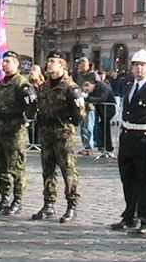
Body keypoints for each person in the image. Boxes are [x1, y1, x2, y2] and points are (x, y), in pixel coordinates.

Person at [111, 49, 146, 236]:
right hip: (128, 136)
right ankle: (130, 215)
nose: (139, 69)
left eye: (143, 65)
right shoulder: (128, 85)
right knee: (128, 177)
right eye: (136, 65)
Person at [32, 51, 85, 223]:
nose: (49, 65)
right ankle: (49, 204)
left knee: (68, 171)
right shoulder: (46, 86)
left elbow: (79, 115)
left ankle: (72, 205)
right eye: (48, 61)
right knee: (48, 171)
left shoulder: (71, 88)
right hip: (47, 134)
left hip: (63, 134)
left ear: (62, 65)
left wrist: (65, 123)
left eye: (53, 62)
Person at [0, 51, 37, 215]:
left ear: (16, 64)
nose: (4, 64)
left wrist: (25, 119)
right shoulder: (2, 83)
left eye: (8, 61)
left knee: (16, 167)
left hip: (14, 131)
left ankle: (18, 200)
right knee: (0, 167)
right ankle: (4, 198)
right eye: (3, 61)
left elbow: (32, 105)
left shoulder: (21, 84)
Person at [82, 77, 116, 158]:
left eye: (87, 90)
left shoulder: (102, 86)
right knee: (100, 128)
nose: (88, 92)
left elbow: (102, 98)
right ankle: (102, 147)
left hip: (108, 109)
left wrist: (88, 97)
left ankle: (108, 148)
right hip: (100, 109)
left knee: (105, 129)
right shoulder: (95, 89)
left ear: (90, 85)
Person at [73, 56, 99, 154]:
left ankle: (89, 147)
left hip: (89, 103)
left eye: (80, 64)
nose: (78, 66)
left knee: (88, 126)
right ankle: (85, 146)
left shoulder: (93, 75)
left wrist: (88, 94)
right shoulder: (79, 75)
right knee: (83, 126)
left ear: (85, 64)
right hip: (80, 103)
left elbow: (97, 88)